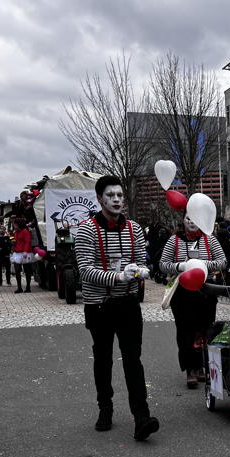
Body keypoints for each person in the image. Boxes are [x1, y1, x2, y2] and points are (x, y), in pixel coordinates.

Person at [74, 175, 158, 440]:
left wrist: (141, 271)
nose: (117, 200)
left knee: (133, 359)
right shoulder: (86, 230)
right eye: (111, 196)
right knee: (103, 358)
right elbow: (85, 270)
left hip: (129, 304)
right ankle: (105, 407)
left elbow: (141, 260)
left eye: (120, 195)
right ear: (100, 198)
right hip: (99, 305)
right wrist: (118, 276)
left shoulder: (134, 229)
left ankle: (141, 417)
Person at [158, 213, 227, 388]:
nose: (192, 222)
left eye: (195, 218)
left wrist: (201, 265)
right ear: (183, 220)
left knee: (204, 329)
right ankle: (190, 368)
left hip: (205, 291)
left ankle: (202, 366)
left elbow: (223, 261)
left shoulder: (210, 240)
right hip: (182, 292)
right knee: (185, 330)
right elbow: (163, 264)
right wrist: (182, 266)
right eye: (188, 218)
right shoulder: (174, 240)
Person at [10, 216, 37, 292]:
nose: (14, 225)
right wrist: (13, 243)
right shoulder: (15, 232)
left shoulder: (25, 231)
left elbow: (27, 242)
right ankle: (19, 287)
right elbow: (16, 241)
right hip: (17, 252)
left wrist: (25, 251)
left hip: (25, 252)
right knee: (17, 270)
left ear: (19, 224)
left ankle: (28, 287)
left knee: (27, 270)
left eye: (15, 224)